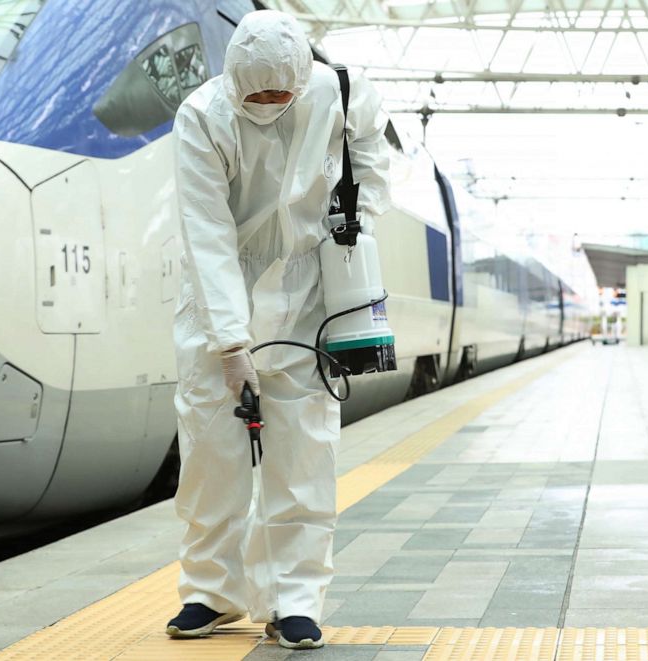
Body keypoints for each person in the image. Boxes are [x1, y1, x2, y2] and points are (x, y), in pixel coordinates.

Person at [164, 10, 389, 649]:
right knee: (212, 452)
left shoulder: (342, 92)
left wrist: (356, 224)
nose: (266, 104)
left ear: (300, 78)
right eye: (253, 95)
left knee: (303, 453)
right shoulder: (202, 115)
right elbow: (205, 232)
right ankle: (211, 592)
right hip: (217, 295)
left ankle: (295, 599)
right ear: (232, 81)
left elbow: (371, 159)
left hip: (309, 294)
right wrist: (231, 343)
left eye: (279, 94)